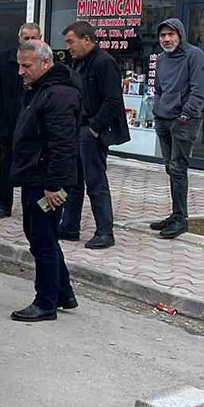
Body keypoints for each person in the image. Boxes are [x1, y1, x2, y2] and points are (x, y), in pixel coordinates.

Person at [9, 40, 80, 322]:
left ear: (45, 64)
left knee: (42, 240)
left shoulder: (59, 95)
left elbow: (63, 145)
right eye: (19, 65)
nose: (21, 72)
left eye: (26, 66)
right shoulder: (41, 90)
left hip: (47, 182)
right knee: (42, 236)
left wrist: (53, 185)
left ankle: (46, 303)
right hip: (35, 176)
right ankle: (63, 293)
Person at [59, 20, 129, 250]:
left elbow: (113, 101)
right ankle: (69, 227)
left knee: (96, 181)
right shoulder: (78, 63)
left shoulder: (104, 63)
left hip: (91, 132)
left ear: (86, 39)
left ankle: (105, 232)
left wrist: (94, 128)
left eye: (71, 41)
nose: (68, 47)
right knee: (73, 181)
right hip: (77, 129)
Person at [150, 18, 204, 240]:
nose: (166, 39)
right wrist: (157, 109)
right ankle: (175, 214)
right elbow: (158, 88)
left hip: (183, 121)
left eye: (170, 35)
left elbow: (198, 88)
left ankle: (180, 219)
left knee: (178, 168)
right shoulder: (162, 59)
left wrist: (185, 114)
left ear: (180, 35)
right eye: (162, 35)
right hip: (163, 118)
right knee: (169, 168)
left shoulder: (194, 55)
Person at [0, 22, 42, 219]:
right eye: (27, 38)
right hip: (10, 122)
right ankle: (3, 204)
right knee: (6, 163)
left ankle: (33, 207)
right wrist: (4, 107)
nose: (30, 41)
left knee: (35, 165)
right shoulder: (5, 59)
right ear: (19, 39)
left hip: (35, 125)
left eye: (34, 37)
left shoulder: (45, 61)